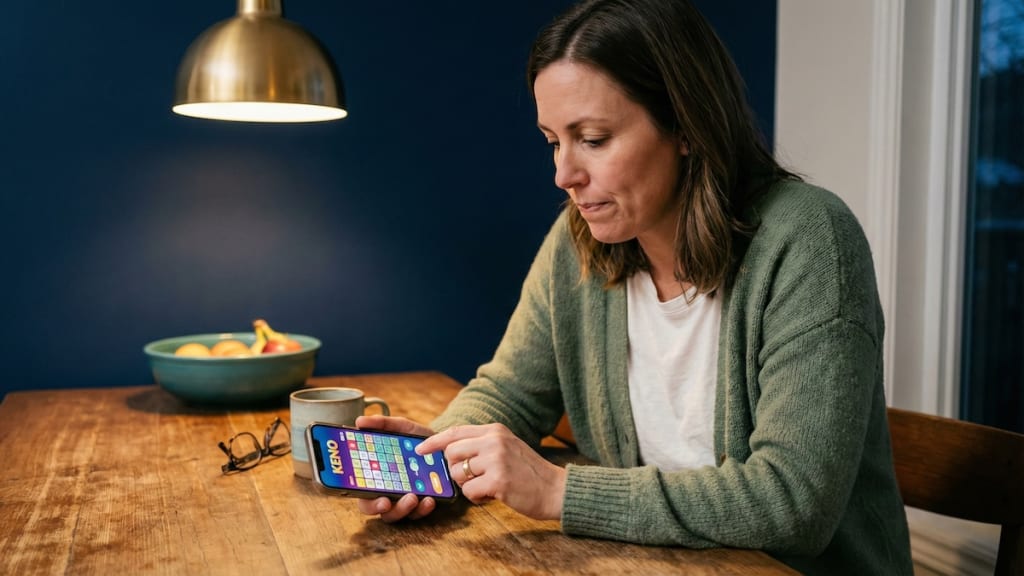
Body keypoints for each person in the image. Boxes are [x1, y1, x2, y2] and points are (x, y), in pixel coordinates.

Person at [355, 0, 914, 573]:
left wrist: (558, 490)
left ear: (687, 127)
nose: (564, 174)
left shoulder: (810, 240)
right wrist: (435, 454)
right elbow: (511, 391)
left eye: (594, 139)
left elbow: (794, 503)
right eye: (553, 141)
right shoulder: (579, 239)